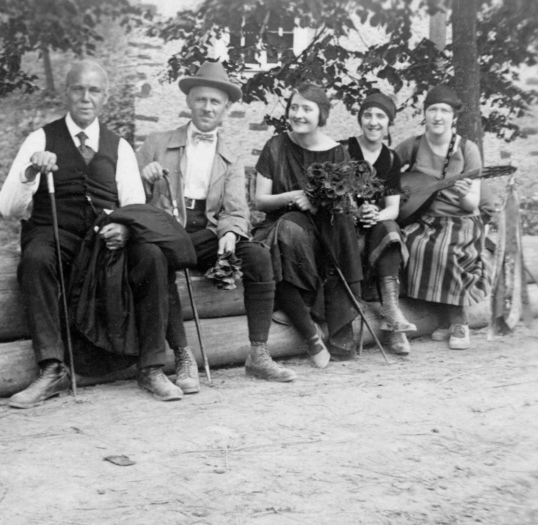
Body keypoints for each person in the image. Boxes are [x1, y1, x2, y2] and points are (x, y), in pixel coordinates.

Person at [0, 60, 184, 407]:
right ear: (66, 93)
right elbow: (8, 207)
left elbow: (134, 205)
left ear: (106, 97)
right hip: (56, 234)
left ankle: (152, 367)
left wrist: (126, 228)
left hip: (104, 241)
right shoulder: (40, 138)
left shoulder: (120, 146)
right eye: (78, 89)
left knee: (153, 257)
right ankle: (52, 369)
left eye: (94, 90)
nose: (86, 98)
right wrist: (30, 170)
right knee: (36, 257)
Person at [138, 61, 297, 387]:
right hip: (165, 231)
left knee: (257, 256)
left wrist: (229, 232)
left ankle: (258, 353)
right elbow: (128, 197)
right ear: (189, 101)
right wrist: (144, 178)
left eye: (215, 102)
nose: (207, 107)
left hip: (206, 232)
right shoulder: (156, 143)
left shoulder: (231, 155)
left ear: (226, 107)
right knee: (158, 258)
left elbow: (237, 209)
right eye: (201, 100)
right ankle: (183, 356)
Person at [253, 82, 361, 367]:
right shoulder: (275, 146)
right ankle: (310, 334)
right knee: (288, 230)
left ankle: (331, 325)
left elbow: (348, 206)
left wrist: (316, 203)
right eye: (294, 107)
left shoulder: (338, 153)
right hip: (279, 227)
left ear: (321, 115)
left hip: (324, 231)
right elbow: (260, 201)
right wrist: (291, 196)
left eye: (307, 109)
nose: (298, 114)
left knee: (327, 233)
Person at [394, 85, 490, 350]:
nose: (438, 116)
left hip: (462, 220)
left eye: (444, 110)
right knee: (410, 244)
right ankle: (441, 319)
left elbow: (472, 204)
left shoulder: (467, 149)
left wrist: (462, 195)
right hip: (424, 218)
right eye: (432, 109)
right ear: (425, 114)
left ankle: (459, 322)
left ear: (453, 116)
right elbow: (385, 170)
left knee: (444, 250)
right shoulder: (412, 146)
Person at [340, 92, 414, 356]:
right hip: (343, 226)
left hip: (374, 227)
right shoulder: (343, 150)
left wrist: (374, 215)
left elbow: (392, 208)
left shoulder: (391, 159)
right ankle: (392, 322)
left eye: (380, 116)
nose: (373, 122)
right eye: (368, 115)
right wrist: (356, 213)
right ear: (360, 119)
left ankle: (392, 313)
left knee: (390, 229)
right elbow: (330, 197)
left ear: (389, 122)